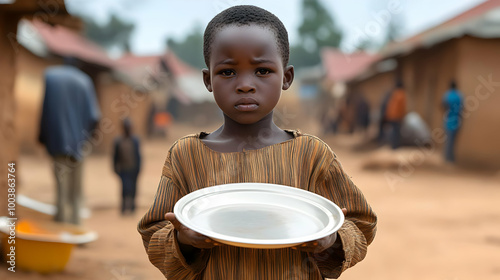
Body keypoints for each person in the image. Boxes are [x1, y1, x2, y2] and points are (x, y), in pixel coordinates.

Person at [138, 5, 377, 279]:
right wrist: (182, 241)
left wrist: (332, 240)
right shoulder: (186, 156)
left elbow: (361, 222)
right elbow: (153, 232)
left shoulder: (311, 155)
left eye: (262, 71)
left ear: (286, 77)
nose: (245, 85)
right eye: (228, 72)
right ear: (208, 80)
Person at [39, 62, 101, 225]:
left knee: (61, 188)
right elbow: (94, 117)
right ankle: (75, 224)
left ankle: (61, 224)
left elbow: (46, 112)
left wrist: (43, 137)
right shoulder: (84, 81)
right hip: (80, 145)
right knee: (76, 189)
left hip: (58, 141)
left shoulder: (51, 78)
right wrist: (88, 140)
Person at [113, 119, 142, 215]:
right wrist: (115, 168)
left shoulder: (135, 141)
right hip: (123, 169)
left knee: (133, 189)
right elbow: (115, 157)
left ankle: (132, 207)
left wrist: (138, 169)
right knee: (124, 188)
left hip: (133, 169)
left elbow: (138, 156)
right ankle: (124, 208)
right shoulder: (118, 141)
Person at [442, 80, 463, 162]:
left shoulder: (447, 95)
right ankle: (451, 157)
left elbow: (443, 105)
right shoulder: (460, 96)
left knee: (448, 139)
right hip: (457, 120)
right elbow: (462, 108)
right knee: (453, 140)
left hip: (448, 119)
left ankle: (447, 157)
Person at [385, 80, 407, 149]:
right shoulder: (401, 94)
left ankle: (392, 145)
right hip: (397, 116)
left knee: (393, 130)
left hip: (391, 115)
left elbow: (389, 106)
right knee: (396, 132)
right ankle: (395, 146)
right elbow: (401, 107)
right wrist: (402, 116)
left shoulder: (394, 93)